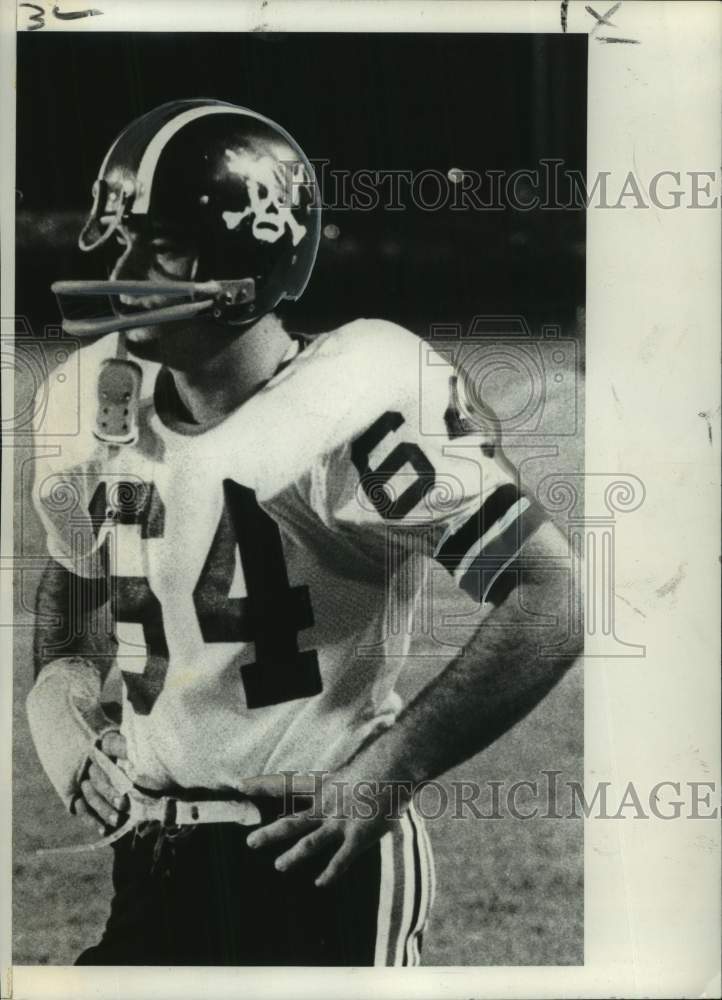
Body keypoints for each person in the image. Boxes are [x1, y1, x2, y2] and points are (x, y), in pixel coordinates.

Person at [26, 98, 582, 966]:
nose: (126, 268)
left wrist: (391, 770)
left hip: (315, 858)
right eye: (123, 239)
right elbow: (74, 581)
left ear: (246, 263)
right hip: (151, 860)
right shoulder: (94, 399)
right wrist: (56, 696)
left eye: (161, 244)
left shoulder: (354, 396)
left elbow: (553, 594)